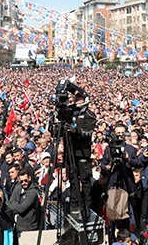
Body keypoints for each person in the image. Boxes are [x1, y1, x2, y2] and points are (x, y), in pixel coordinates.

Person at [64, 92, 96, 220]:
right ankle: (74, 205)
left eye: (79, 98)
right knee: (72, 179)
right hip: (70, 151)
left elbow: (88, 133)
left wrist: (75, 130)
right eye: (75, 97)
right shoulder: (69, 112)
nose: (76, 100)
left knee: (85, 180)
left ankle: (86, 207)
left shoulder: (89, 115)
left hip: (83, 152)